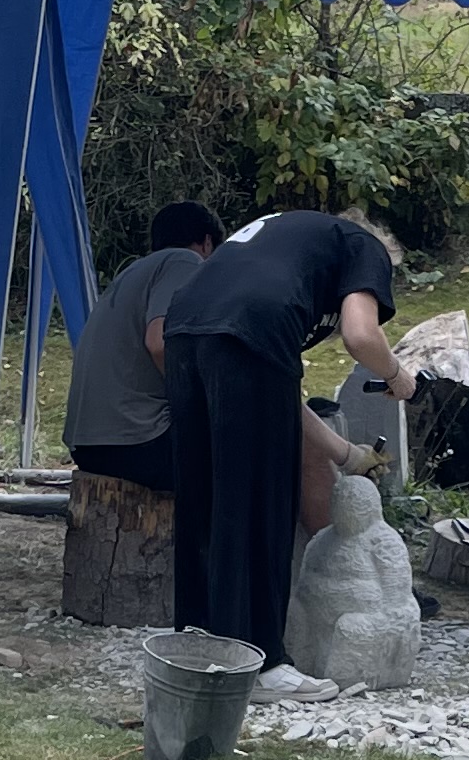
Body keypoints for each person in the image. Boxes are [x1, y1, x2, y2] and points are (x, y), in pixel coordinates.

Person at [152, 207, 422, 697]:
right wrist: (396, 375)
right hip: (249, 332)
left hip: (184, 328)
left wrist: (347, 454)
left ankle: (197, 650)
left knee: (204, 496)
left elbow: (276, 394)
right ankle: (259, 663)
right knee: (262, 500)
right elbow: (361, 335)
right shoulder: (363, 246)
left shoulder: (281, 239)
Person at [63, 201, 223, 495]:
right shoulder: (186, 262)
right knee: (249, 445)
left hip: (88, 445)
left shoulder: (134, 271)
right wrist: (198, 400)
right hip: (137, 442)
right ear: (207, 243)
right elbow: (159, 343)